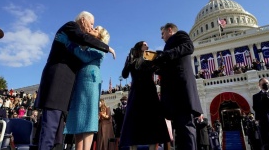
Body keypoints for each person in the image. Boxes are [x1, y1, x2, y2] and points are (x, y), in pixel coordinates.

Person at [34, 11, 116, 150]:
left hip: (73, 84)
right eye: (91, 24)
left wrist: (102, 45)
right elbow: (82, 37)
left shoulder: (86, 44)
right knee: (51, 126)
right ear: (83, 20)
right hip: (58, 82)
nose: (91, 28)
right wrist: (107, 47)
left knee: (57, 130)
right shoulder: (71, 26)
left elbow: (82, 50)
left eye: (95, 27)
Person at [56, 25, 111, 150]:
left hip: (90, 82)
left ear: (101, 36)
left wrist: (69, 43)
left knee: (88, 117)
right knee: (79, 117)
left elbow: (84, 57)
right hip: (80, 81)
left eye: (96, 29)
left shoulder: (100, 47)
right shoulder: (87, 45)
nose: (93, 29)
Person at [153, 23, 203, 150]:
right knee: (180, 132)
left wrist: (165, 55)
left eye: (162, 33)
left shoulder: (180, 35)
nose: (161, 37)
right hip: (172, 94)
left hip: (181, 89)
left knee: (186, 127)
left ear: (170, 30)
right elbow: (169, 66)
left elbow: (188, 47)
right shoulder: (167, 47)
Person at [120, 41, 170, 150]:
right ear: (139, 47)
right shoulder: (131, 59)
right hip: (136, 93)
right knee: (133, 121)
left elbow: (159, 70)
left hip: (149, 92)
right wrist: (128, 62)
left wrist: (157, 61)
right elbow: (124, 75)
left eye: (147, 44)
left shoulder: (151, 56)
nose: (147, 46)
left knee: (153, 120)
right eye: (144, 44)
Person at [252, 78, 269, 150]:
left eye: (267, 83)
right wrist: (257, 119)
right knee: (266, 142)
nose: (266, 85)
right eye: (264, 84)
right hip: (263, 122)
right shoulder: (256, 96)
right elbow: (256, 109)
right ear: (259, 85)